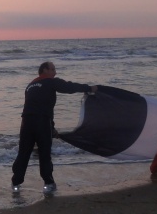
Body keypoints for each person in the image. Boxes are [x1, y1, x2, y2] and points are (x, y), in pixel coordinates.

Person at [11, 61, 95, 194]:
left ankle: (15, 183)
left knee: (23, 153)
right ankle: (48, 183)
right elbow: (69, 87)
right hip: (41, 122)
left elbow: (41, 106)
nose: (55, 72)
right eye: (53, 69)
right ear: (44, 70)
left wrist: (52, 128)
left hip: (26, 123)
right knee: (44, 153)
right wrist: (89, 88)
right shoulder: (50, 81)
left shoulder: (30, 85)